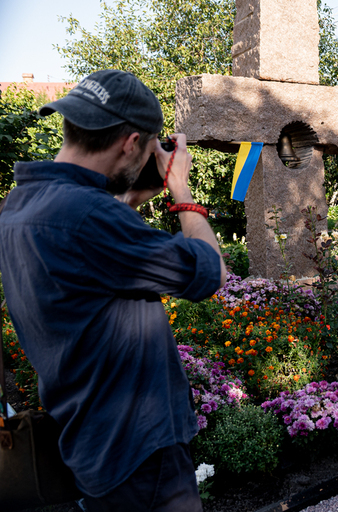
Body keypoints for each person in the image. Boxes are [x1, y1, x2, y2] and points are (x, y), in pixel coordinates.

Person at [0, 70, 226, 511]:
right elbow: (209, 272)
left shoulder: (20, 205)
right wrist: (180, 189)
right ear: (131, 142)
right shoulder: (88, 216)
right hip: (140, 453)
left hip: (91, 442)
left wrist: (131, 197)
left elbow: (94, 267)